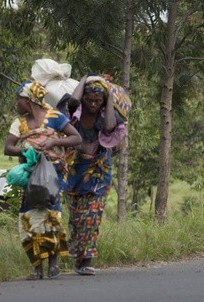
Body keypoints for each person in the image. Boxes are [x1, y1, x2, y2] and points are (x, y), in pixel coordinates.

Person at [4, 81, 82, 280]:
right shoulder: (19, 123)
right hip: (31, 175)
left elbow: (76, 138)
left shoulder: (55, 117)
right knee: (28, 218)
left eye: (19, 99)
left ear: (29, 100)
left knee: (51, 216)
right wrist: (26, 149)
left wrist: (54, 141)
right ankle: (37, 267)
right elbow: (8, 147)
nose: (16, 103)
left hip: (53, 174)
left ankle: (54, 263)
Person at [65, 75, 127, 276]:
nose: (92, 104)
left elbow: (109, 126)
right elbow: (72, 101)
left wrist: (109, 98)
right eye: (89, 100)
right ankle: (78, 259)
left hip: (98, 172)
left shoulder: (106, 117)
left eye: (97, 101)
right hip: (75, 171)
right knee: (76, 218)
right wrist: (84, 80)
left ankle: (87, 262)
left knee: (92, 215)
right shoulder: (75, 112)